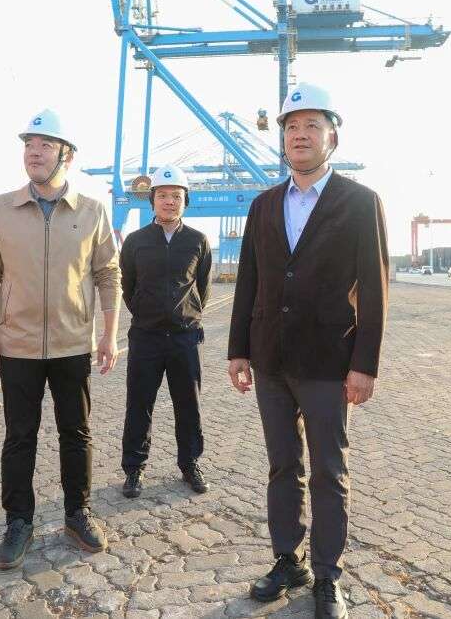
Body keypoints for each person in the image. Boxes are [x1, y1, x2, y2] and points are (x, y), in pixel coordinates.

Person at [227, 83, 389, 619]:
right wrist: (238, 349)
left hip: (328, 362)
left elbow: (375, 287)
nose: (300, 135)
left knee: (328, 471)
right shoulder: (264, 205)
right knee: (282, 465)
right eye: (291, 127)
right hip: (271, 360)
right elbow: (249, 279)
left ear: (332, 138)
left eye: (311, 126)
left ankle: (327, 575)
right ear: (283, 140)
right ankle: (287, 559)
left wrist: (364, 364)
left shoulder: (360, 202)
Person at [0, 108, 122, 569]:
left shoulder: (92, 211)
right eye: (29, 145)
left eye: (45, 145)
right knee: (19, 436)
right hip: (17, 344)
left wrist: (109, 335)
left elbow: (108, 274)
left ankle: (78, 513)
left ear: (66, 155)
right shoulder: (1, 209)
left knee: (76, 433)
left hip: (72, 344)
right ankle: (18, 521)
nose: (34, 152)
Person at [119, 164, 212, 498]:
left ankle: (190, 464)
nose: (169, 201)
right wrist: (147, 313)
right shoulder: (135, 241)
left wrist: (186, 315)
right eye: (162, 195)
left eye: (176, 196)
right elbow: (127, 286)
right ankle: (134, 469)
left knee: (188, 405)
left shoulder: (197, 241)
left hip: (185, 337)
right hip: (146, 337)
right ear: (152, 201)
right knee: (139, 404)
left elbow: (203, 287)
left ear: (185, 200)